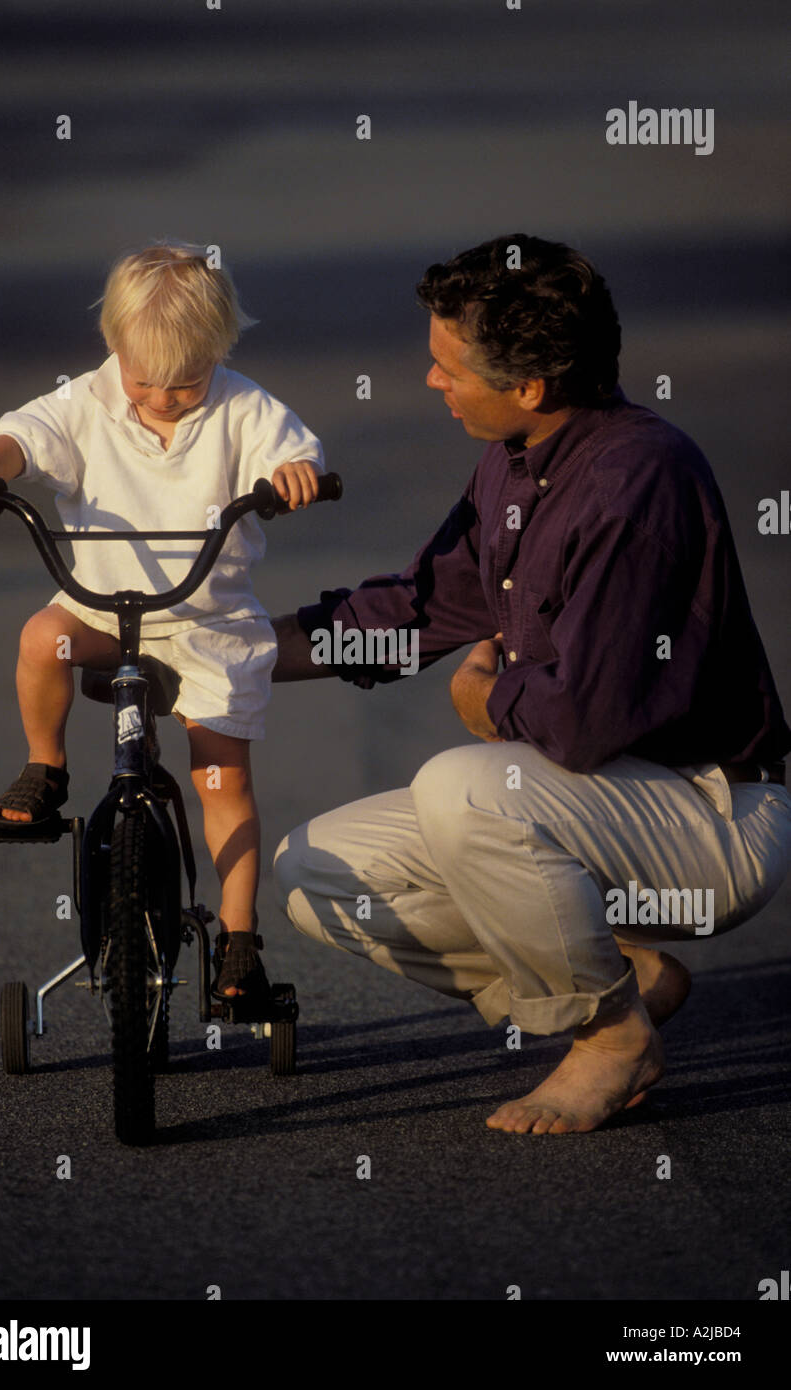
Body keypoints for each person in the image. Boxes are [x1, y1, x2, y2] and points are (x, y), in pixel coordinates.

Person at [271, 233, 791, 1134]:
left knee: (467, 789)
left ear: (531, 386)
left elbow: (578, 726)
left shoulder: (637, 481)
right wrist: (231, 651)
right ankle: (615, 970)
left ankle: (609, 1036)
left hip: (710, 814)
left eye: (448, 367)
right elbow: (422, 609)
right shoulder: (514, 460)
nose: (432, 381)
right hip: (599, 802)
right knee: (318, 872)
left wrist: (482, 699)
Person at [0, 242, 323, 1003]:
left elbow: (292, 451)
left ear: (219, 353)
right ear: (114, 350)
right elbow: (22, 436)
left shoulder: (243, 406)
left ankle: (240, 943)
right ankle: (45, 767)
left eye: (187, 383)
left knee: (222, 781)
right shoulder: (85, 400)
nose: (165, 397)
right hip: (99, 611)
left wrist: (292, 475)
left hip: (207, 623)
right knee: (38, 638)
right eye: (145, 380)